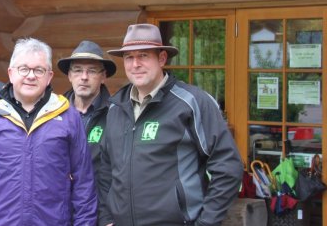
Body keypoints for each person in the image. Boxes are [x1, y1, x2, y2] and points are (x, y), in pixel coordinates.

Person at [97, 24, 243, 226]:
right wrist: (106, 219)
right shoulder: (115, 108)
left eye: (143, 56)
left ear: (162, 58)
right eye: (129, 57)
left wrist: (206, 222)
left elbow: (228, 168)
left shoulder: (192, 102)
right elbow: (106, 171)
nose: (135, 64)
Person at [0, 37, 97, 225]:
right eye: (24, 69)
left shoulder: (69, 116)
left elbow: (84, 182)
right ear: (11, 73)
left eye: (39, 70)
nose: (31, 76)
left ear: (49, 77)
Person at [56, 40, 117, 195]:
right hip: (58, 206)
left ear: (103, 76)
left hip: (98, 206)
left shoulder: (116, 114)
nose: (84, 77)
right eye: (77, 70)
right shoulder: (53, 113)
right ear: (69, 75)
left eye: (91, 71)